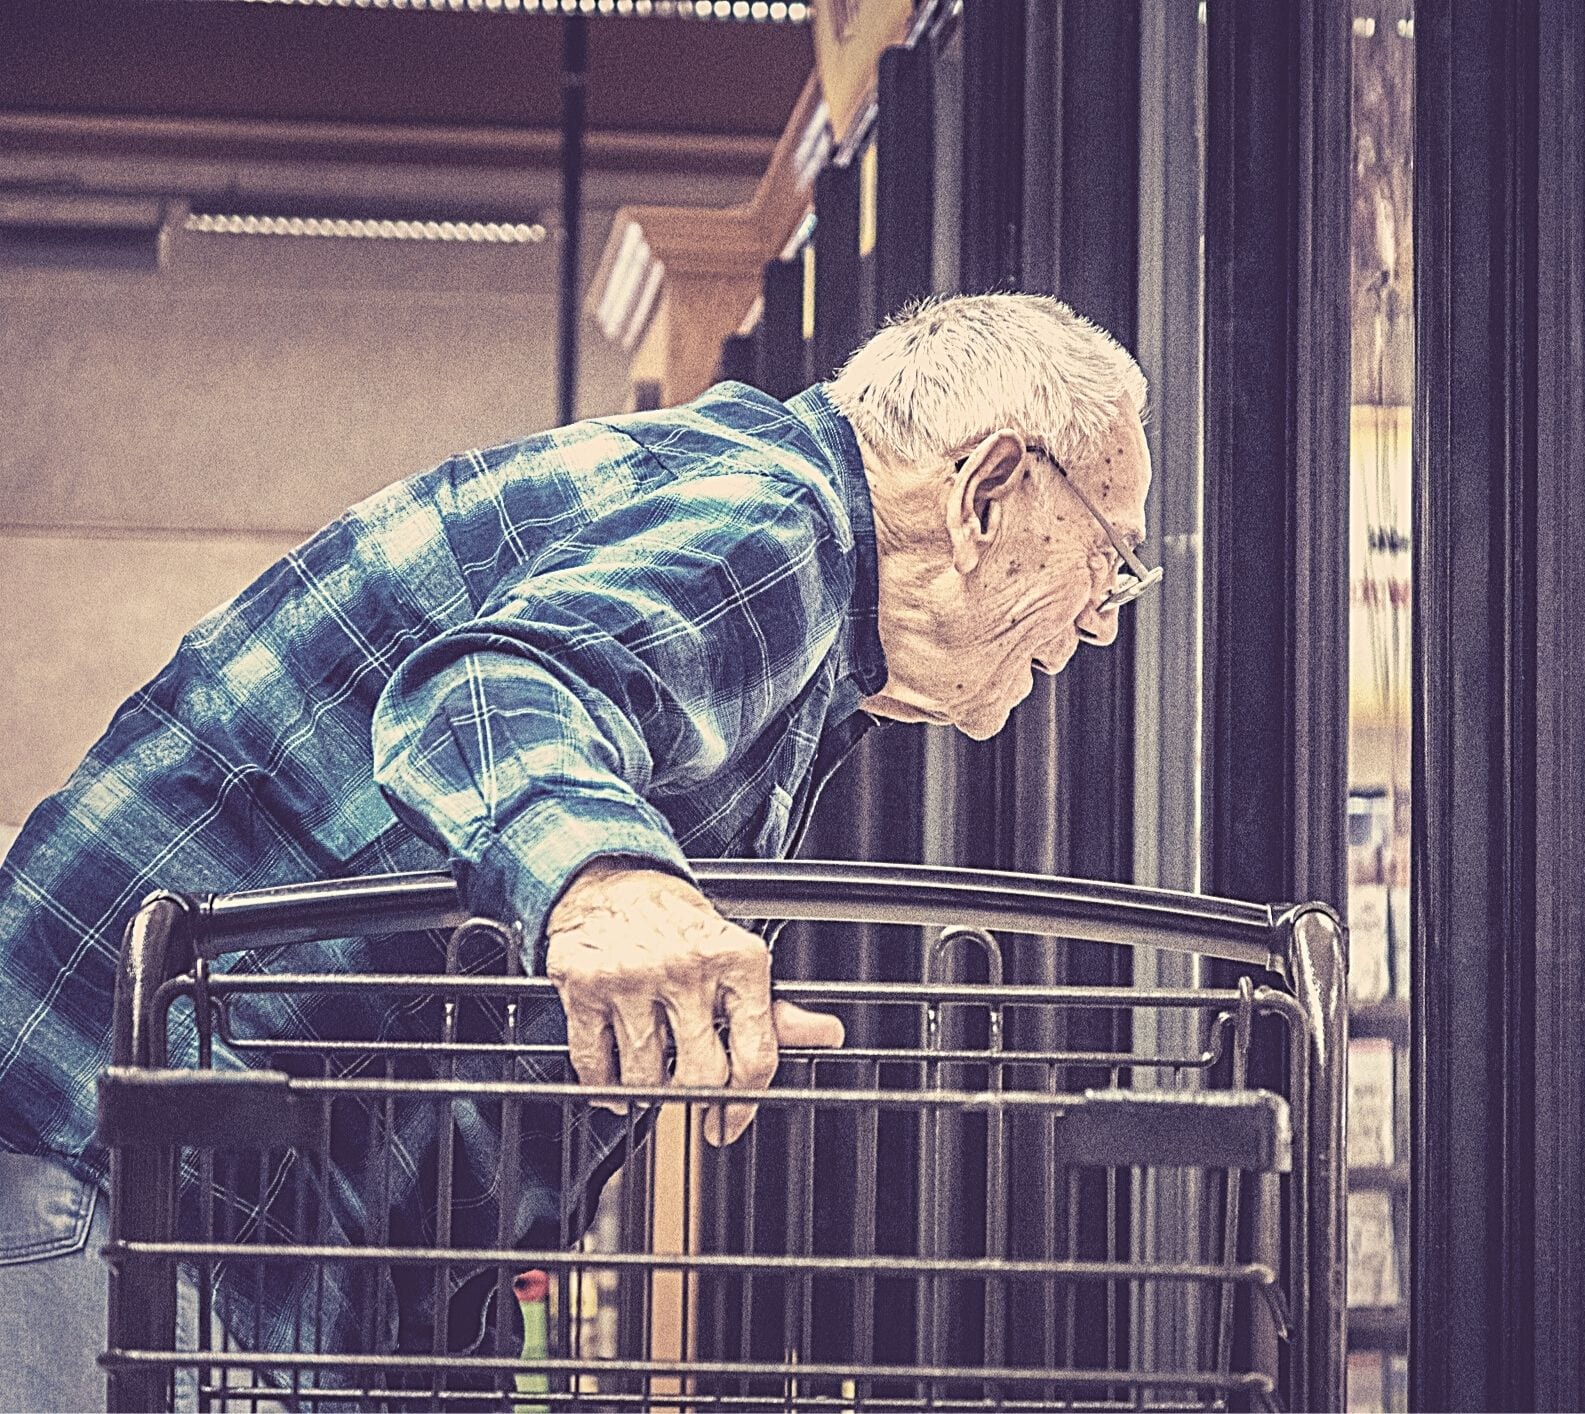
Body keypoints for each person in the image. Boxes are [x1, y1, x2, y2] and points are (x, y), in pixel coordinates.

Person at [0, 291, 1157, 1409]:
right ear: (989, 489)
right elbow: (486, 690)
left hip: (215, 1213)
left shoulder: (782, 582)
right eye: (1111, 560)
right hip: (114, 1166)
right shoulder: (779, 523)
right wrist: (611, 885)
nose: (1102, 618)